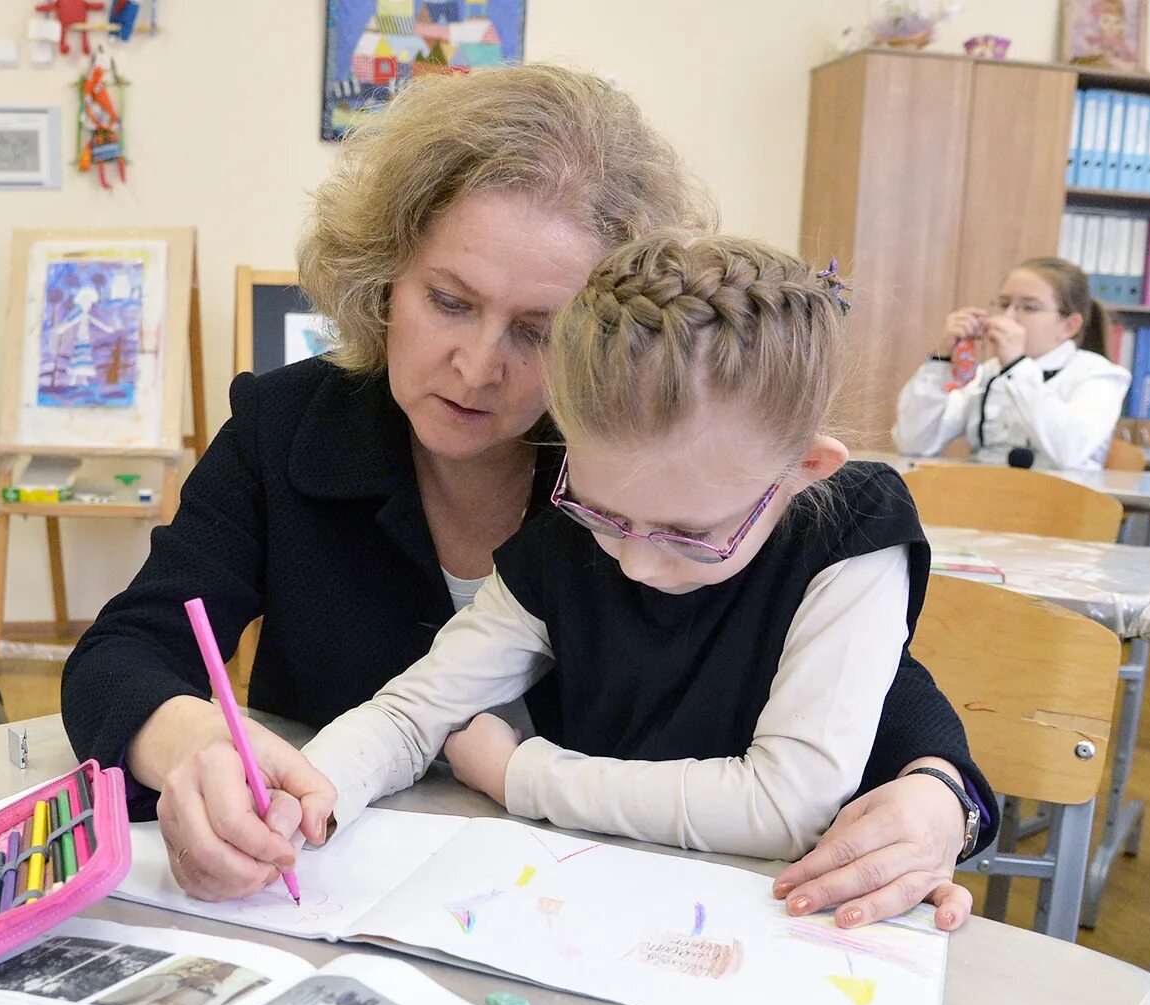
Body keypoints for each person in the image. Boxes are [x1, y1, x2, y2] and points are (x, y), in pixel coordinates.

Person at [62, 64, 994, 932]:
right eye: (451, 301)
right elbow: (128, 652)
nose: (476, 367)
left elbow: (836, 658)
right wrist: (197, 753)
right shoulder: (290, 428)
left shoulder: (646, 455)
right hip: (376, 911)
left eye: (541, 332)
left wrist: (938, 784)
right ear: (388, 271)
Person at [303, 232, 964, 865]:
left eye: (691, 534)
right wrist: (308, 794)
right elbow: (412, 712)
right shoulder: (562, 541)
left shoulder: (855, 526)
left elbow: (787, 805)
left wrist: (521, 776)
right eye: (604, 514)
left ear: (806, 467)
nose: (637, 562)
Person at [892, 257, 1128, 470]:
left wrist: (1017, 366)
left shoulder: (1100, 375)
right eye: (1004, 304)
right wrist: (941, 359)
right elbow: (914, 443)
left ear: (1069, 326)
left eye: (1029, 307)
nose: (1007, 317)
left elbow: (1068, 451)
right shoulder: (989, 373)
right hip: (984, 500)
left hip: (1062, 506)